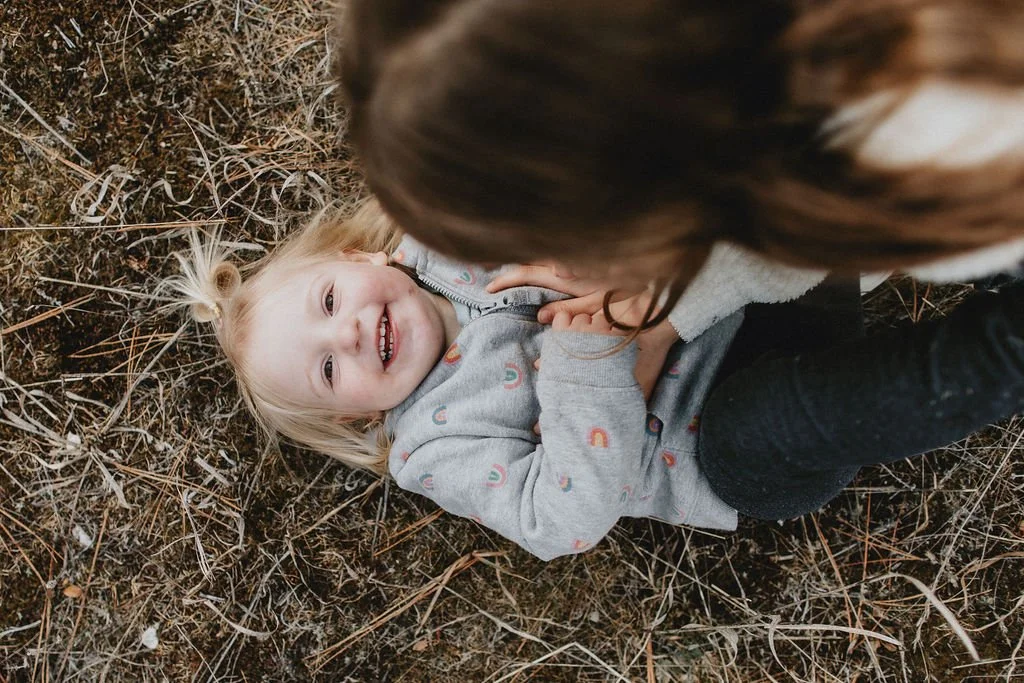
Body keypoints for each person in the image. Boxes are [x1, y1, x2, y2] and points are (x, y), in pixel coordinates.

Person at [337, 0, 1024, 518]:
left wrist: (606, 350)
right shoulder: (778, 105)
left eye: (571, 237)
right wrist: (666, 318)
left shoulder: (938, 144)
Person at [165, 202, 744, 561]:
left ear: (361, 257)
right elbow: (558, 523)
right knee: (805, 416)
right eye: (328, 370)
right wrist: (583, 365)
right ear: (355, 417)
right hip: (717, 435)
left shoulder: (453, 228)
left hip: (716, 286)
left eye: (331, 300)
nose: (347, 336)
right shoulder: (433, 449)